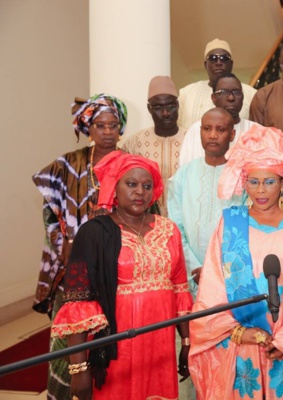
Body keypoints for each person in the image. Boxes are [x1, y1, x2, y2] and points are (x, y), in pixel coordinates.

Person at [188, 126, 283, 399]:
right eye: (253, 181)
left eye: (269, 181)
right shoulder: (231, 224)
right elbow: (212, 289)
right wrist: (239, 333)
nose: (260, 190)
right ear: (244, 181)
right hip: (241, 348)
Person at [50, 151, 193, 400]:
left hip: (160, 344)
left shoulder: (169, 230)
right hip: (117, 345)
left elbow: (180, 288)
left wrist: (187, 342)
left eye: (147, 186)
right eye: (131, 184)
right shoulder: (93, 234)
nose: (140, 191)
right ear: (113, 188)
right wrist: (79, 368)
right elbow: (77, 302)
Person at [31, 93, 127, 399]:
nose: (108, 131)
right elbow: (50, 210)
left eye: (113, 125)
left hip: (117, 265)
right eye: (100, 125)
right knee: (67, 341)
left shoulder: (130, 165)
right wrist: (63, 241)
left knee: (112, 336)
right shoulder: (69, 165)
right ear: (88, 127)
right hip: (73, 269)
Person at [168, 107, 243, 299]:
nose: (212, 135)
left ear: (232, 134)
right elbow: (176, 228)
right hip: (190, 275)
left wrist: (215, 270)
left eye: (220, 129)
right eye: (207, 128)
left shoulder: (242, 175)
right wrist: (195, 268)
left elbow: (244, 232)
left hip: (230, 276)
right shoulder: (184, 174)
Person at [121, 76, 186, 216]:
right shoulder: (134, 143)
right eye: (158, 107)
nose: (165, 113)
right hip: (145, 222)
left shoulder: (192, 140)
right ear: (149, 108)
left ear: (178, 105)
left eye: (170, 106)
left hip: (185, 221)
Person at [179, 73, 259, 165]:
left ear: (242, 97)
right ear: (213, 98)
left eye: (236, 92)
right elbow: (185, 169)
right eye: (224, 92)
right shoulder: (196, 129)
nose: (231, 97)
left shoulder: (257, 131)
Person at [179, 38, 256, 130]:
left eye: (224, 58)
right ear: (205, 64)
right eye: (213, 58)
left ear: (231, 64)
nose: (218, 63)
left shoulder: (251, 94)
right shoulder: (186, 93)